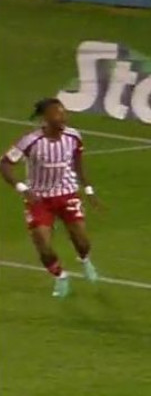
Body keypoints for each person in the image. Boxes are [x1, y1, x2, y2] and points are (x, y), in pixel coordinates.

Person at [0, 98, 101, 297]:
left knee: (82, 241)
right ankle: (60, 276)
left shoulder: (73, 137)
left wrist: (89, 190)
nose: (62, 116)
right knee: (43, 245)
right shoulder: (30, 141)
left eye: (63, 112)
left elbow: (78, 165)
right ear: (45, 118)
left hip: (67, 194)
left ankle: (85, 260)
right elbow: (4, 164)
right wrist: (22, 188)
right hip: (39, 200)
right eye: (57, 113)